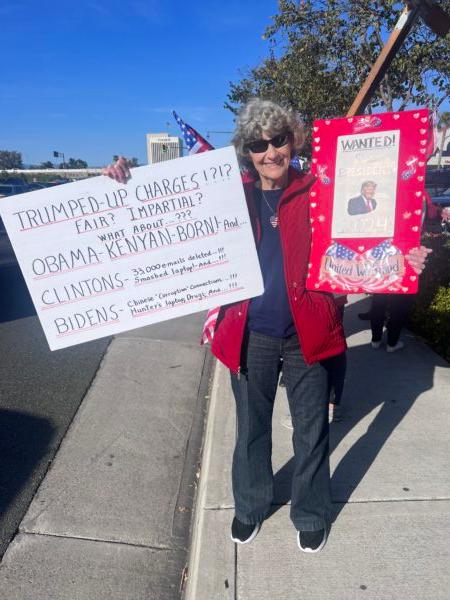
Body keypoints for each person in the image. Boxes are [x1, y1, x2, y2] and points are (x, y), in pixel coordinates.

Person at [104, 99, 430, 553]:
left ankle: (311, 511)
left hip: (308, 331)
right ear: (247, 151)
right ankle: (250, 506)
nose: (270, 152)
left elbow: (375, 230)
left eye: (278, 139)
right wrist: (123, 181)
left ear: (293, 139)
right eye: (258, 144)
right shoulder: (228, 194)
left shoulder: (323, 189)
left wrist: (403, 253)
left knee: (311, 429)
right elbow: (159, 215)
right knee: (251, 427)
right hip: (248, 333)